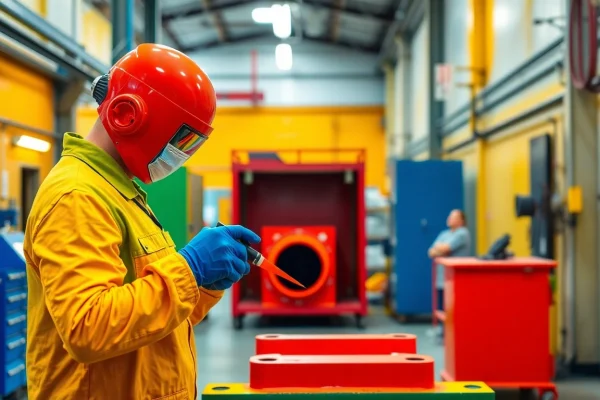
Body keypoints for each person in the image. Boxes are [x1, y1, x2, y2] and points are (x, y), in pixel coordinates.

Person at [23, 44, 259, 399]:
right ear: (126, 114)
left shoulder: (122, 193)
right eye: (181, 139)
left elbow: (154, 323)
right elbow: (88, 328)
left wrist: (205, 286)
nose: (179, 153)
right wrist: (189, 269)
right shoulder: (77, 196)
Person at [427, 209, 471, 339]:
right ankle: (442, 330)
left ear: (461, 221)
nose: (450, 219)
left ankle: (454, 332)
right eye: (450, 216)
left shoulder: (462, 233)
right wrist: (440, 249)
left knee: (454, 306)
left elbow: (446, 248)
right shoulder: (444, 233)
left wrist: (441, 248)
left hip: (456, 277)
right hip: (442, 276)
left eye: (454, 217)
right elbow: (431, 251)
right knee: (442, 305)